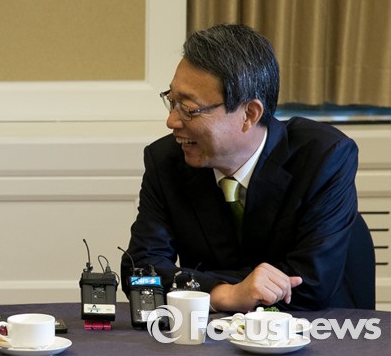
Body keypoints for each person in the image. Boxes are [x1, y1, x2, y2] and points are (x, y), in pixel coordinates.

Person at [121, 23, 372, 312]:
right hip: (213, 331)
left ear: (249, 114)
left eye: (189, 109)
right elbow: (140, 272)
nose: (172, 122)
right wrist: (224, 294)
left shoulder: (323, 156)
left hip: (316, 327)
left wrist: (199, 286)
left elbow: (311, 284)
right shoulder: (165, 160)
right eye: (172, 101)